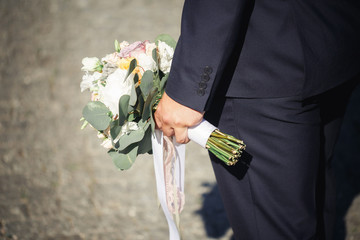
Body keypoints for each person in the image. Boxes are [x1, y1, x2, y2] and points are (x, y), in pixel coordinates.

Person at [154, 0, 360, 239]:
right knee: (312, 197)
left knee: (277, 225)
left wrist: (187, 91)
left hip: (263, 70)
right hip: (332, 38)